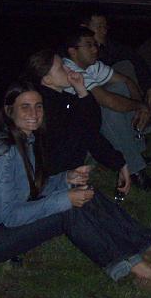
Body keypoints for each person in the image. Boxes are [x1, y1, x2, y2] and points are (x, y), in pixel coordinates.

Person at [0, 81, 151, 290]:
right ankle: (142, 271)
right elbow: (11, 216)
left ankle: (147, 244)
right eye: (25, 107)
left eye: (38, 106)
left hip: (2, 223)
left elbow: (28, 188)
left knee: (85, 193)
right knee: (68, 210)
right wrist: (65, 199)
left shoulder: (25, 138)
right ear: (9, 111)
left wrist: (65, 179)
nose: (34, 113)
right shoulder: (1, 152)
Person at [61, 27, 151, 191]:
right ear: (73, 51)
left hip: (88, 118)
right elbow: (108, 101)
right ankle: (135, 170)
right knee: (109, 111)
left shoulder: (91, 65)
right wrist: (141, 106)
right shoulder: (70, 71)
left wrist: (140, 108)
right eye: (89, 45)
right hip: (72, 130)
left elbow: (126, 81)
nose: (95, 49)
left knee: (120, 88)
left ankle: (136, 151)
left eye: (95, 44)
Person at [24, 49, 132, 198]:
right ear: (47, 79)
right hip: (54, 183)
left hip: (62, 174)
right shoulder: (49, 107)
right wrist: (119, 164)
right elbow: (88, 133)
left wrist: (81, 90)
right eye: (61, 68)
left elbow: (92, 125)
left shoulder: (60, 99)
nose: (68, 69)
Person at [80, 5, 151, 111]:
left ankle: (141, 111)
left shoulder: (109, 46)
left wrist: (150, 87)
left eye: (105, 27)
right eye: (99, 27)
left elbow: (136, 59)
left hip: (112, 90)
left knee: (126, 67)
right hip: (92, 98)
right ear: (84, 28)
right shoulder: (76, 52)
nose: (104, 31)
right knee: (117, 87)